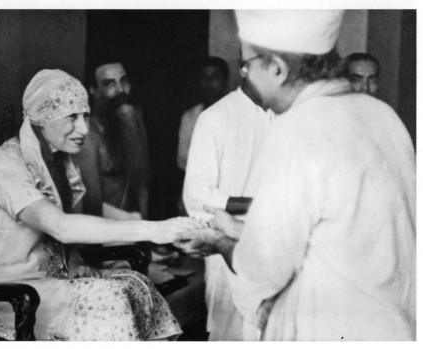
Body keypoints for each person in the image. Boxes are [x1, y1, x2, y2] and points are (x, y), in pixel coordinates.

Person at [176, 10, 415, 340]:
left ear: (276, 68)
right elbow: (328, 235)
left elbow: (264, 270)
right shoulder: (384, 115)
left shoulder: (298, 128)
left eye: (247, 65)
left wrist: (219, 240)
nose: (244, 74)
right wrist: (239, 228)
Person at [0, 69, 202, 341]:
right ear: (40, 118)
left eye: (85, 115)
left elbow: (56, 232)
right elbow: (59, 226)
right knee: (109, 299)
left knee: (138, 285)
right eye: (71, 117)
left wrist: (72, 258)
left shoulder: (59, 160)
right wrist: (153, 229)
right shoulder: (5, 167)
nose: (84, 128)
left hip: (46, 281)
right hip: (3, 295)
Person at [182, 53, 274, 340]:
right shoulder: (215, 118)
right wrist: (256, 206)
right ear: (244, 68)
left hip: (273, 246)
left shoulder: (283, 116)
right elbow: (196, 195)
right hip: (225, 251)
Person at [75, 60, 150, 220]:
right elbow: (91, 205)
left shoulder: (135, 122)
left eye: (124, 81)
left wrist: (145, 233)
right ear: (94, 90)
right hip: (103, 236)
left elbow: (143, 186)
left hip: (136, 235)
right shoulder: (88, 135)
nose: (121, 90)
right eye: (110, 84)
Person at [177, 56, 229, 172]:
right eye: (205, 77)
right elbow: (182, 159)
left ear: (225, 81)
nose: (209, 82)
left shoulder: (236, 115)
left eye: (215, 77)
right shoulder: (190, 117)